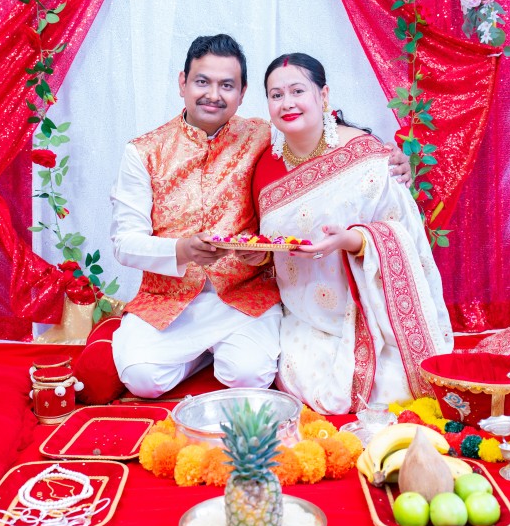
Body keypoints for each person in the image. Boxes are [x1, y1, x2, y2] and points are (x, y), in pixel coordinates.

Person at [111, 35, 412, 399]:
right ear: (182, 83)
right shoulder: (143, 152)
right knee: (141, 380)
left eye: (227, 85)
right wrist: (182, 250)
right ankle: (199, 356)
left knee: (249, 375)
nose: (213, 95)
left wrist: (382, 157)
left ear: (242, 93)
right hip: (168, 300)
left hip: (244, 296)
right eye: (202, 81)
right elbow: (124, 243)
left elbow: (319, 136)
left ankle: (215, 354)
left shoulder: (262, 134)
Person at [251, 52, 453, 414]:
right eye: (276, 95)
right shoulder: (263, 166)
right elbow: (269, 245)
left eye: (298, 91)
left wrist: (350, 241)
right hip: (305, 314)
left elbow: (402, 234)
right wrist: (258, 255)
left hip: (373, 313)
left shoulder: (365, 155)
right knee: (312, 383)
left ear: (323, 95)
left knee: (396, 388)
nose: (287, 103)